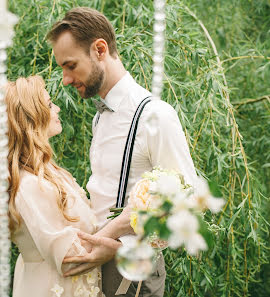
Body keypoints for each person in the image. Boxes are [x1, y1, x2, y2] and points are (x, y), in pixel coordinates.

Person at [47, 7, 198, 297]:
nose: (65, 79)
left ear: (100, 49)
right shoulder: (100, 116)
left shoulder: (156, 116)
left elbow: (185, 200)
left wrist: (114, 239)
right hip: (95, 266)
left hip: (131, 274)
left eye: (70, 65)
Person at [0, 76, 103, 297]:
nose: (57, 109)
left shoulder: (48, 172)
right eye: (48, 104)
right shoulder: (28, 186)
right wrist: (121, 232)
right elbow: (69, 259)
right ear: (29, 119)